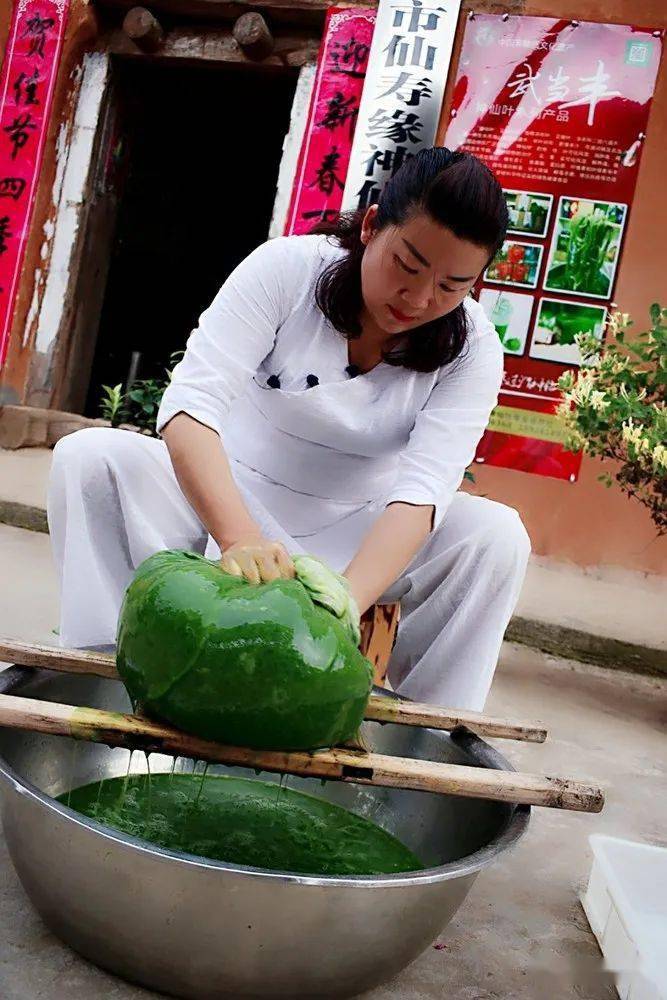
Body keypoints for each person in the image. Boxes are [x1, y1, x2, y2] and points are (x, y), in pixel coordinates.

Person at [48, 147, 530, 712]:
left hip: (363, 526)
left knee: (496, 537)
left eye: (451, 286)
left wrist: (342, 602)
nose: (420, 299)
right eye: (408, 265)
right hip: (233, 495)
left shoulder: (472, 348)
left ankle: (432, 728)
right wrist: (240, 537)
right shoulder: (287, 269)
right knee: (91, 459)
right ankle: (108, 671)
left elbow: (423, 494)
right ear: (372, 226)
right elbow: (190, 408)